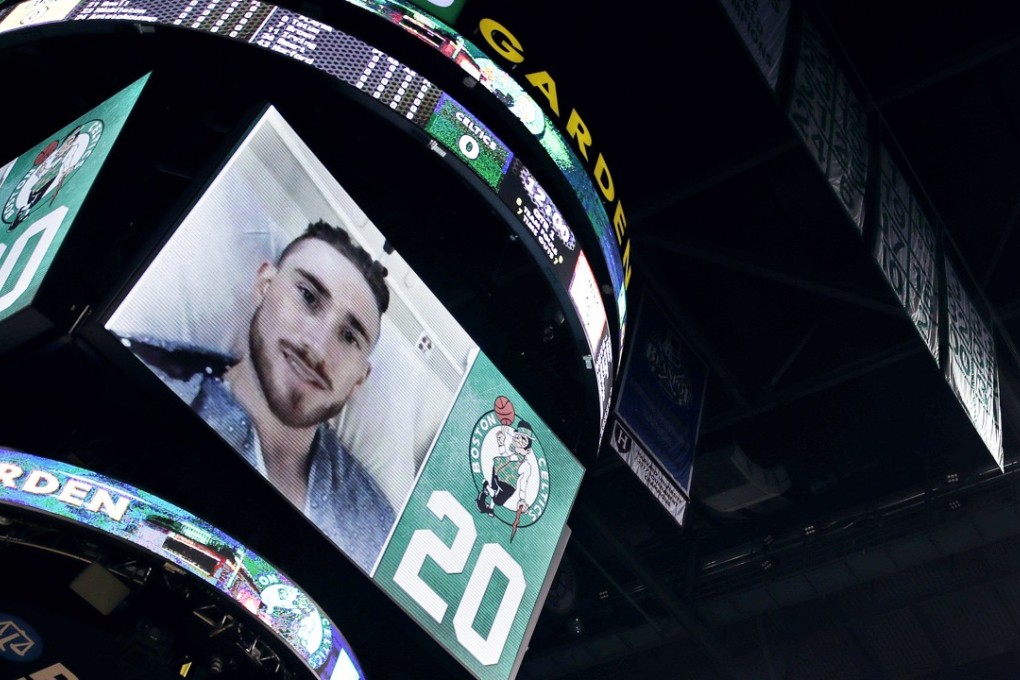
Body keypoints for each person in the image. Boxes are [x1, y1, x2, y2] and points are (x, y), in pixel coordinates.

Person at [125, 220, 395, 571]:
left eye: (348, 337)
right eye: (308, 297)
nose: (317, 347)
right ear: (265, 285)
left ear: (360, 379)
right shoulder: (146, 374)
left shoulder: (378, 530)